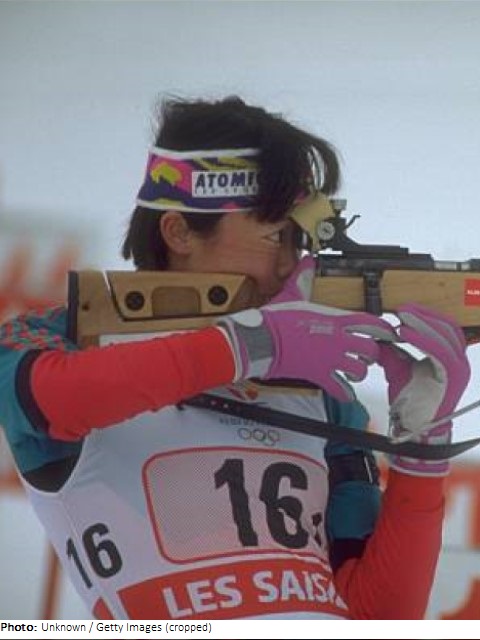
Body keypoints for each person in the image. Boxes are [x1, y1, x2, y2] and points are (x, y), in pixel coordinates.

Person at [0, 96, 471, 621]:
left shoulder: (319, 392)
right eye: (274, 237)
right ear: (179, 232)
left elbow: (376, 619)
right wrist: (255, 344)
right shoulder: (62, 337)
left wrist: (422, 452)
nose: (291, 264)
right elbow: (53, 399)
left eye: (298, 240)